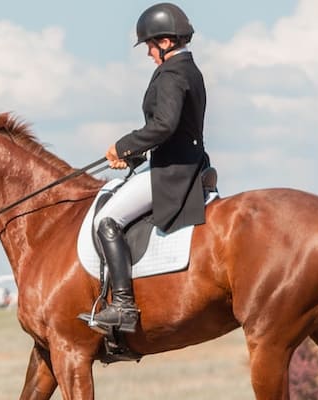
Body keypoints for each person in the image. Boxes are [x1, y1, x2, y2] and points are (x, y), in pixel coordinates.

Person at [81, 2, 210, 335]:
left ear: (165, 42)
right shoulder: (189, 69)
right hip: (183, 160)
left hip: (172, 171)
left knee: (106, 219)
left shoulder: (171, 73)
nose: (148, 53)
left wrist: (123, 145)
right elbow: (177, 129)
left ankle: (123, 305)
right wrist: (136, 157)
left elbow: (164, 125)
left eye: (151, 45)